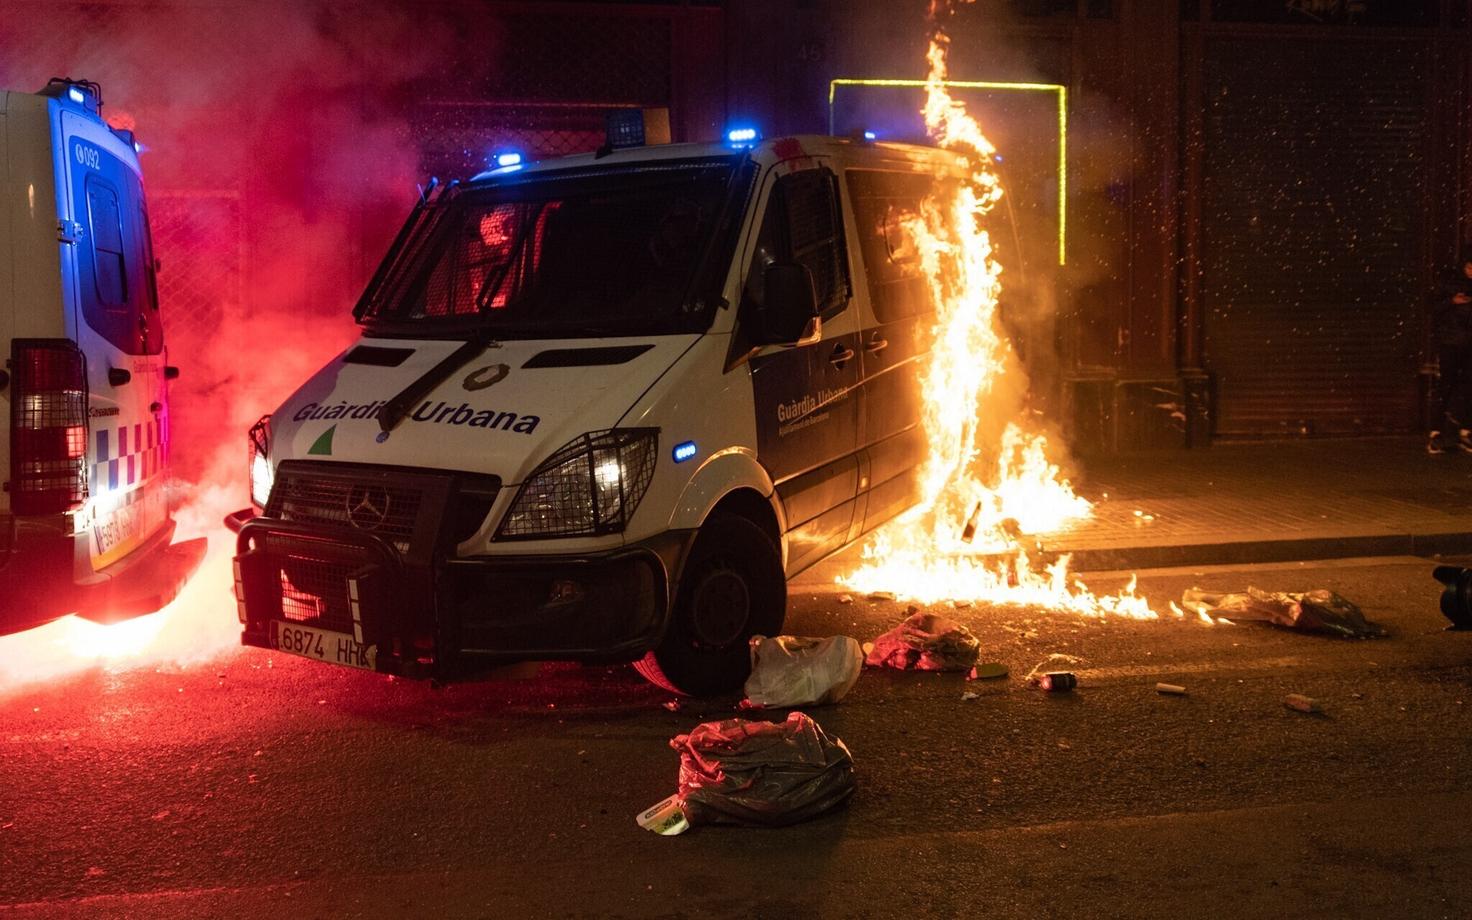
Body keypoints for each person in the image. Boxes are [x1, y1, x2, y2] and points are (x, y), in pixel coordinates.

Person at [1428, 250, 1472, 455]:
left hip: (1465, 343)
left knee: (1465, 386)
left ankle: (1462, 429)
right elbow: (1434, 308)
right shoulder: (1449, 284)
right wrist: (1452, 302)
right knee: (1448, 384)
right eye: (1469, 267)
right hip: (1451, 343)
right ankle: (1438, 430)